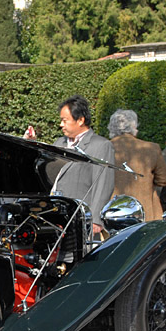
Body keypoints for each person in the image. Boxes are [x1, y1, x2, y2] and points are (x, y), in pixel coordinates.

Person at [29, 95, 114, 235]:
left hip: (81, 218)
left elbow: (103, 183)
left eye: (65, 120)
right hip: (55, 216)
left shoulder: (100, 145)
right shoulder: (59, 143)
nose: (61, 125)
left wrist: (96, 219)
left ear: (80, 120)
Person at [108, 109, 166, 221]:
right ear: (134, 126)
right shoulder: (151, 148)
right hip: (146, 210)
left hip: (113, 211)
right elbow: (164, 179)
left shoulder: (105, 147)